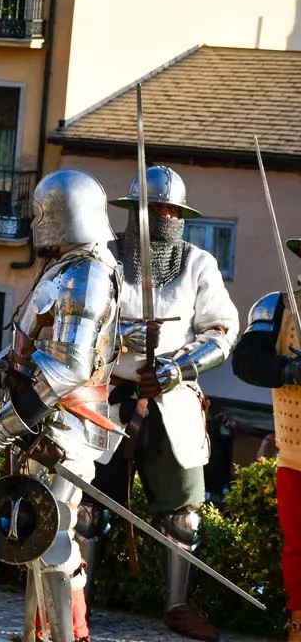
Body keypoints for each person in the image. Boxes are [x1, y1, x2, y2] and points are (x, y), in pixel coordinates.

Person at [76, 166, 236, 642]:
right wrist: (118, 338)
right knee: (88, 508)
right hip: (108, 399)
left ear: (179, 216)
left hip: (174, 402)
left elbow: (222, 331)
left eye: (167, 210)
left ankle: (178, 606)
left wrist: (179, 367)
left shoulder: (198, 264)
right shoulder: (102, 260)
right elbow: (79, 323)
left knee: (183, 517)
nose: (160, 217)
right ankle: (79, 600)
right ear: (133, 214)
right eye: (152, 209)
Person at [0, 170, 120, 642]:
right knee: (35, 533)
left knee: (51, 538)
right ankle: (36, 636)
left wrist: (2, 426)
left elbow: (69, 366)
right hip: (43, 421)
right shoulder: (65, 269)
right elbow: (34, 351)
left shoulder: (89, 273)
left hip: (66, 425)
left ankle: (64, 639)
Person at [231, 237, 301, 642]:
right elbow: (245, 362)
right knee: (298, 548)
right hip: (295, 454)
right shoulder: (278, 308)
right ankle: (298, 625)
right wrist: (288, 371)